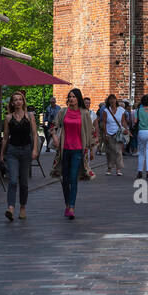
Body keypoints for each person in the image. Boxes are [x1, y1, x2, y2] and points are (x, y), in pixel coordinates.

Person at [51, 88, 93, 220]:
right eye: (69, 96)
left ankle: (72, 208)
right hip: (64, 149)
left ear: (78, 98)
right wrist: (55, 136)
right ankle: (67, 203)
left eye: (74, 96)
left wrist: (92, 149)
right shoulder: (63, 112)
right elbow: (53, 126)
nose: (71, 99)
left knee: (73, 178)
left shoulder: (84, 113)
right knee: (65, 179)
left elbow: (90, 132)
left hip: (78, 150)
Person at [0, 89, 38, 222]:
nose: (17, 102)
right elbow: (5, 137)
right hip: (12, 151)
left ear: (23, 101)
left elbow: (34, 134)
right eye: (15, 100)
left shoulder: (30, 116)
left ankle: (22, 207)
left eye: (20, 99)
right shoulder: (8, 118)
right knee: (13, 180)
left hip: (26, 151)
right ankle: (10, 207)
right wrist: (1, 153)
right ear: (12, 103)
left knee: (24, 182)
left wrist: (35, 150)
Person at [102, 94, 128, 176]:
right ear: (108, 101)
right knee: (109, 152)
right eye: (110, 99)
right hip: (109, 134)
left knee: (118, 151)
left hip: (118, 133)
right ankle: (109, 167)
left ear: (116, 100)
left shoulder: (121, 110)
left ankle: (118, 169)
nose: (112, 101)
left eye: (113, 99)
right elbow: (104, 123)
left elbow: (123, 121)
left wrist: (126, 129)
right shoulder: (106, 111)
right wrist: (105, 133)